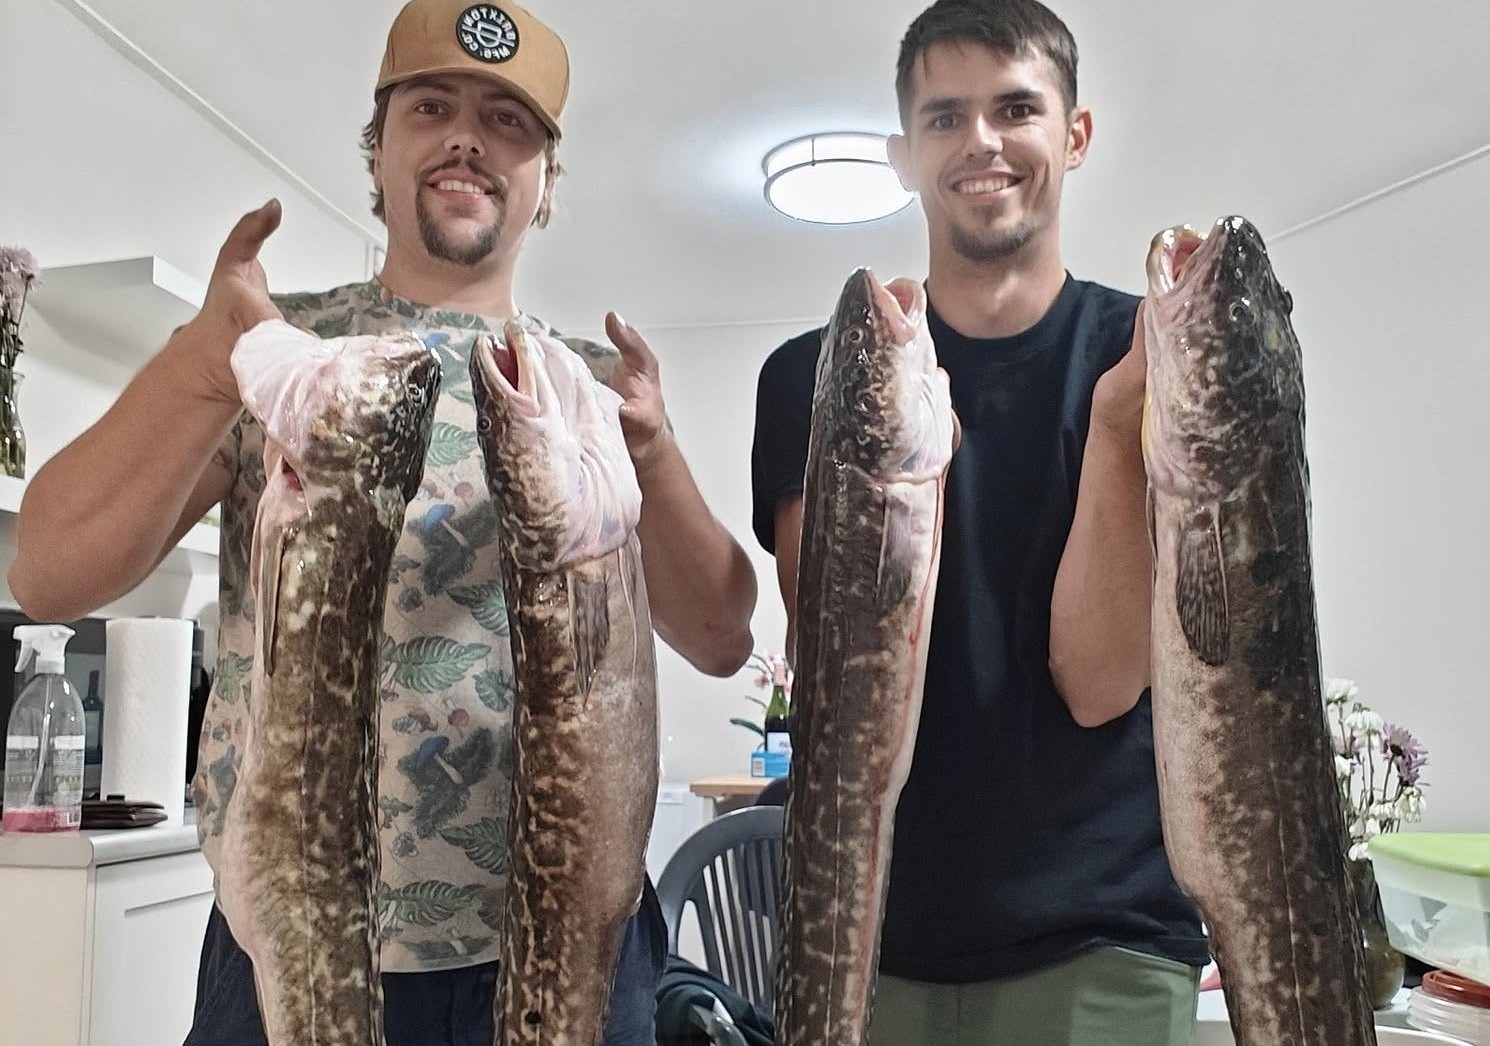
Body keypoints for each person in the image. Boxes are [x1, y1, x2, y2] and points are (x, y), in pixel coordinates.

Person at [9, 1, 757, 1042]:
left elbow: (721, 637)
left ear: (545, 181)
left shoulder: (583, 390)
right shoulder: (280, 353)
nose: (466, 137)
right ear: (379, 146)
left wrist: (656, 447)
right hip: (287, 930)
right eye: (432, 106)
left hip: (570, 925)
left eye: (508, 120)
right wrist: (199, 359)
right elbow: (49, 572)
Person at [749, 1, 1210, 1043]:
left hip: (1102, 942)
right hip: (861, 939)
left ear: (1073, 134)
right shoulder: (814, 377)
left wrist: (1116, 418)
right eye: (945, 117)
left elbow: (1099, 682)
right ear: (904, 153)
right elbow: (838, 679)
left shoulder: (1148, 351)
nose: (981, 142)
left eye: (1015, 108)